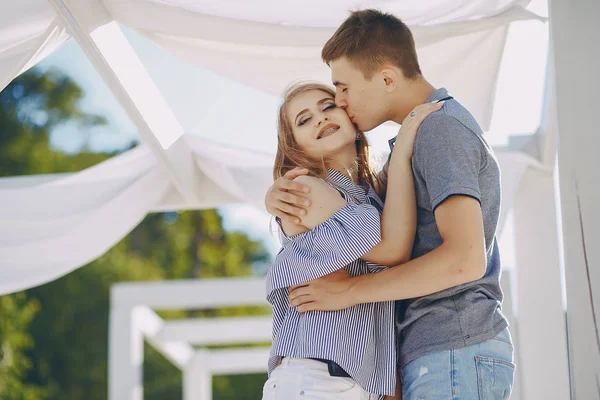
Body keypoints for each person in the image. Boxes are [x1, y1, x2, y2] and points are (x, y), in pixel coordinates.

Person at [265, 9, 515, 400]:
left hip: (449, 344)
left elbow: (463, 259)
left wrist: (348, 292)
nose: (340, 104)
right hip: (334, 375)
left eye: (338, 93)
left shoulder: (437, 129)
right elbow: (391, 246)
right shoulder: (319, 188)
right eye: (305, 118)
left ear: (385, 78)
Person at [263, 81, 442, 400]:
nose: (319, 118)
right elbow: (392, 250)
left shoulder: (370, 198)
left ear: (351, 119)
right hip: (314, 379)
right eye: (304, 120)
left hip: (354, 385)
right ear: (295, 147)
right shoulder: (306, 187)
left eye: (327, 106)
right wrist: (402, 149)